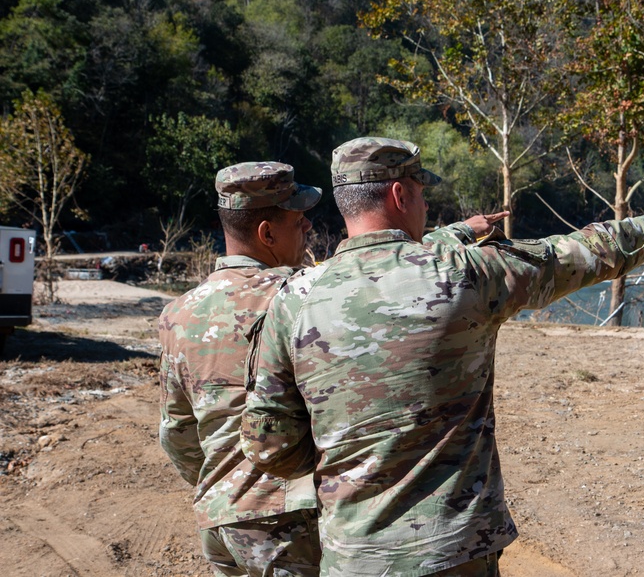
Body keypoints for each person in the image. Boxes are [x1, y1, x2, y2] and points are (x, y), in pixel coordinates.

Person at [240, 137, 644, 577]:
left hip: (352, 555)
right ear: (400, 195)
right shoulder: (463, 273)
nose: (425, 202)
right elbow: (581, 252)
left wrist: (349, 456)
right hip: (454, 551)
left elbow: (271, 448)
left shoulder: (292, 298)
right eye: (421, 190)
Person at [160, 160, 507, 577]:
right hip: (288, 520)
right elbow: (384, 263)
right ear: (266, 233)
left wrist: (223, 485)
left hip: (220, 522)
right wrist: (460, 233)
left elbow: (178, 432)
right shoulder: (299, 295)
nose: (308, 228)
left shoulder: (177, 314)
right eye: (298, 220)